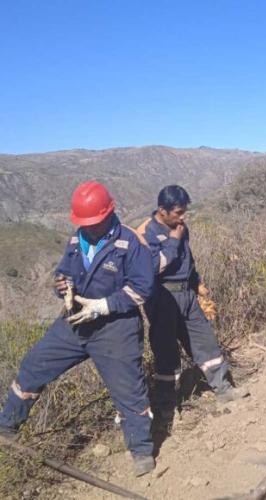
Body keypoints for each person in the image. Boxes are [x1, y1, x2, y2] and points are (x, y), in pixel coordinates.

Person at [0, 181, 156, 476]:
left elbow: (142, 288)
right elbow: (65, 271)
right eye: (85, 223)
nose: (90, 228)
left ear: (109, 213)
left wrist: (104, 305)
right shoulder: (77, 240)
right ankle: (7, 425)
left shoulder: (129, 243)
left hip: (115, 329)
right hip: (74, 322)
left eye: (94, 222)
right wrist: (62, 285)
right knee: (34, 366)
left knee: (129, 391)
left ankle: (141, 451)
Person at [137, 185, 248, 419]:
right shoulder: (145, 233)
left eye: (184, 211)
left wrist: (197, 282)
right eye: (178, 212)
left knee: (205, 341)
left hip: (187, 295)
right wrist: (173, 241)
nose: (182, 216)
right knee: (166, 352)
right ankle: (167, 406)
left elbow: (188, 258)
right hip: (163, 297)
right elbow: (152, 267)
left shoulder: (180, 227)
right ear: (162, 210)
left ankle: (223, 389)